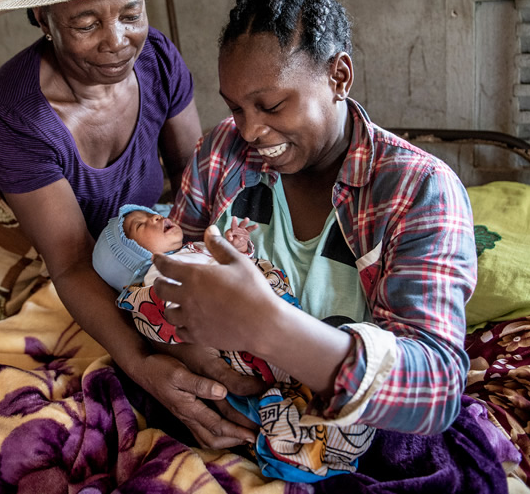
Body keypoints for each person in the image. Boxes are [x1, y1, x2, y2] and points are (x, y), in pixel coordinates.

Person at [0, 0, 262, 450]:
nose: (117, 39)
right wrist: (141, 360)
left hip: (130, 232)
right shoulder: (17, 111)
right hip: (25, 229)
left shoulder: (159, 62)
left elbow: (198, 184)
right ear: (42, 19)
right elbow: (71, 261)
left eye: (131, 13)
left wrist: (216, 281)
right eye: (85, 22)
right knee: (32, 332)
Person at [157, 0, 478, 440]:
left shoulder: (417, 190)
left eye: (270, 105)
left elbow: (434, 390)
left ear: (339, 77)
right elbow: (167, 267)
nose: (250, 130)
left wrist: (268, 326)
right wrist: (205, 372)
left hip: (348, 435)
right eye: (235, 108)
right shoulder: (220, 152)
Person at [92, 204, 376, 482]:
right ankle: (302, 445)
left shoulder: (197, 249)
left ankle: (337, 421)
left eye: (151, 213)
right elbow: (163, 318)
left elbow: (241, 271)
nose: (155, 217)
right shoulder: (158, 278)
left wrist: (239, 248)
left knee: (320, 373)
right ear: (133, 258)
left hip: (276, 320)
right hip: (243, 350)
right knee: (265, 403)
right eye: (140, 225)